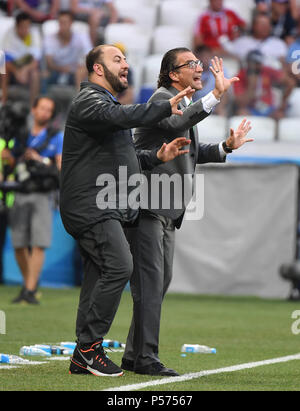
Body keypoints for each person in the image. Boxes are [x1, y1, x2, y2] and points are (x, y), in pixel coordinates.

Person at [59, 44, 195, 377]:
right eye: (117, 59)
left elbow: (129, 160)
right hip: (91, 206)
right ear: (97, 69)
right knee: (121, 265)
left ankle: (82, 354)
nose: (126, 64)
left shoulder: (106, 106)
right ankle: (92, 347)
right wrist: (162, 109)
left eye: (126, 58)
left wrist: (157, 158)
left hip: (104, 207)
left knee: (96, 277)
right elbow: (122, 117)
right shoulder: (89, 101)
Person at [120, 47, 253, 377]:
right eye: (190, 64)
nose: (199, 67)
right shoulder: (161, 99)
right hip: (148, 206)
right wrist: (213, 98)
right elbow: (179, 121)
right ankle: (147, 358)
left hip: (166, 209)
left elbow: (190, 151)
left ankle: (133, 353)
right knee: (151, 284)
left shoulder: (180, 103)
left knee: (158, 283)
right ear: (172, 74)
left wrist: (225, 147)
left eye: (198, 62)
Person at [8, 96, 63, 304]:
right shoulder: (21, 136)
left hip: (42, 193)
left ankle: (29, 291)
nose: (44, 113)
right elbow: (12, 162)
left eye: (49, 110)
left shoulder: (55, 136)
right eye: (42, 108)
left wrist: (40, 160)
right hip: (20, 191)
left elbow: (59, 166)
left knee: (38, 243)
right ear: (34, 110)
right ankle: (29, 284)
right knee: (19, 243)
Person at [233, 49, 295, 118]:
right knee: (242, 113)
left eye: (258, 63)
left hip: (268, 108)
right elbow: (241, 103)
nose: (255, 66)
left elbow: (290, 83)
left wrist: (283, 102)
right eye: (253, 63)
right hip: (250, 108)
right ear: (247, 63)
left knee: (279, 115)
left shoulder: (266, 70)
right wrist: (251, 86)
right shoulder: (240, 76)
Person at [43, 10, 92, 91]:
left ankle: (79, 100)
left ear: (71, 23)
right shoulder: (50, 38)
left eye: (65, 22)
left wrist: (82, 66)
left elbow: (90, 56)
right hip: (55, 71)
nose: (62, 25)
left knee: (84, 71)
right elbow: (49, 63)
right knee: (43, 74)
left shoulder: (82, 37)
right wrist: (62, 69)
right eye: (60, 22)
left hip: (75, 72)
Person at [1, 12, 42, 105]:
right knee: (3, 71)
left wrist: (25, 70)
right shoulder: (8, 35)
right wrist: (16, 71)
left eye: (27, 27)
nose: (25, 30)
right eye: (22, 27)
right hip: (13, 65)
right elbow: (5, 60)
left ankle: (33, 106)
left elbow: (35, 61)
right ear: (16, 26)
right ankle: (3, 102)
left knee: (35, 74)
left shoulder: (34, 34)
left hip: (28, 66)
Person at [220, 12, 288, 66]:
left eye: (267, 25)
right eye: (262, 24)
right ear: (253, 26)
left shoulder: (279, 44)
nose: (265, 27)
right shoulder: (241, 42)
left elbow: (283, 65)